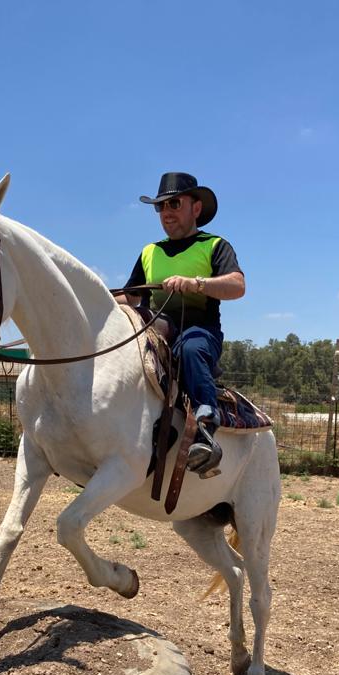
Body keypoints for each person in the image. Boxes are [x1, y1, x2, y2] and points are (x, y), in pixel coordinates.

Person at [117, 172, 245, 475]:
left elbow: (238, 287)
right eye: (160, 207)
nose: (166, 212)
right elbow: (132, 297)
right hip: (152, 330)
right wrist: (96, 297)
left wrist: (196, 283)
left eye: (174, 203)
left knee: (190, 349)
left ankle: (205, 428)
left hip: (198, 333)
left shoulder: (214, 245)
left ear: (196, 208)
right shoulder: (149, 251)